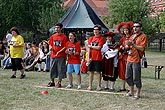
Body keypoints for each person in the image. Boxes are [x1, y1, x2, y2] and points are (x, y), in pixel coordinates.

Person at [125, 22, 147, 99]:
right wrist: (126, 45)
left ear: (141, 28)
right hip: (129, 58)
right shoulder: (132, 36)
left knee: (136, 77)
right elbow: (127, 47)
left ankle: (137, 93)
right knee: (128, 76)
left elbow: (142, 48)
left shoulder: (143, 36)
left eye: (137, 27)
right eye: (134, 27)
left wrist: (133, 44)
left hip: (136, 59)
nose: (135, 28)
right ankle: (131, 91)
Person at [47, 23, 68, 87]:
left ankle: (59, 82)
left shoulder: (64, 37)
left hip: (61, 56)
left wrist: (59, 51)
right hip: (53, 55)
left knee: (60, 69)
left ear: (61, 28)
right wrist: (50, 48)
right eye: (55, 28)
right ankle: (51, 81)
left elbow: (65, 46)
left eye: (58, 27)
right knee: (52, 68)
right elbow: (50, 44)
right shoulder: (53, 36)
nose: (56, 29)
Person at [87, 24, 104, 91]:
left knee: (98, 72)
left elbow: (99, 47)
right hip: (91, 58)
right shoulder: (91, 38)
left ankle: (99, 86)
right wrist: (88, 58)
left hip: (98, 58)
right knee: (91, 72)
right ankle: (90, 85)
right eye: (94, 30)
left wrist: (91, 46)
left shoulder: (101, 38)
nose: (95, 31)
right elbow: (89, 48)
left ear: (99, 31)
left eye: (97, 30)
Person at [117, 22, 134, 92]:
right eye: (124, 30)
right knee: (122, 72)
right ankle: (122, 87)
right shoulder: (122, 39)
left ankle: (130, 88)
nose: (125, 31)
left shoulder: (132, 37)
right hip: (122, 57)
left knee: (129, 73)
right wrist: (121, 48)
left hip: (129, 57)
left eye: (127, 30)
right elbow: (119, 47)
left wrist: (128, 48)